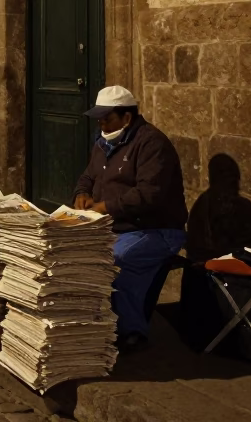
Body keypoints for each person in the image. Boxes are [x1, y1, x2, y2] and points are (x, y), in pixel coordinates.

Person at [73, 85, 188, 353]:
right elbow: (88, 176)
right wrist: (81, 193)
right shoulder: (102, 143)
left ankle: (131, 330)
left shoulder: (152, 144)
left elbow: (149, 195)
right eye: (99, 118)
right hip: (116, 226)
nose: (102, 123)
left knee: (117, 258)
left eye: (107, 118)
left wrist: (104, 206)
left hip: (155, 230)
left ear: (127, 118)